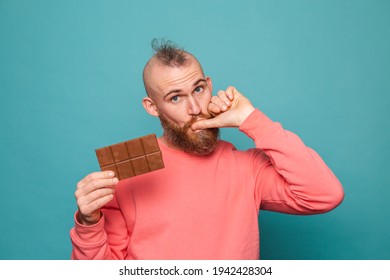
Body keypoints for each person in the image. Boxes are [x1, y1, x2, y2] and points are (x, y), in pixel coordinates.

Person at [70, 39, 344, 260]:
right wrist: (88, 221)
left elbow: (325, 195)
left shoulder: (246, 166)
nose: (195, 109)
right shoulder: (126, 170)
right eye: (175, 97)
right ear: (152, 107)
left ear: (209, 86)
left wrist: (251, 119)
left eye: (198, 89)